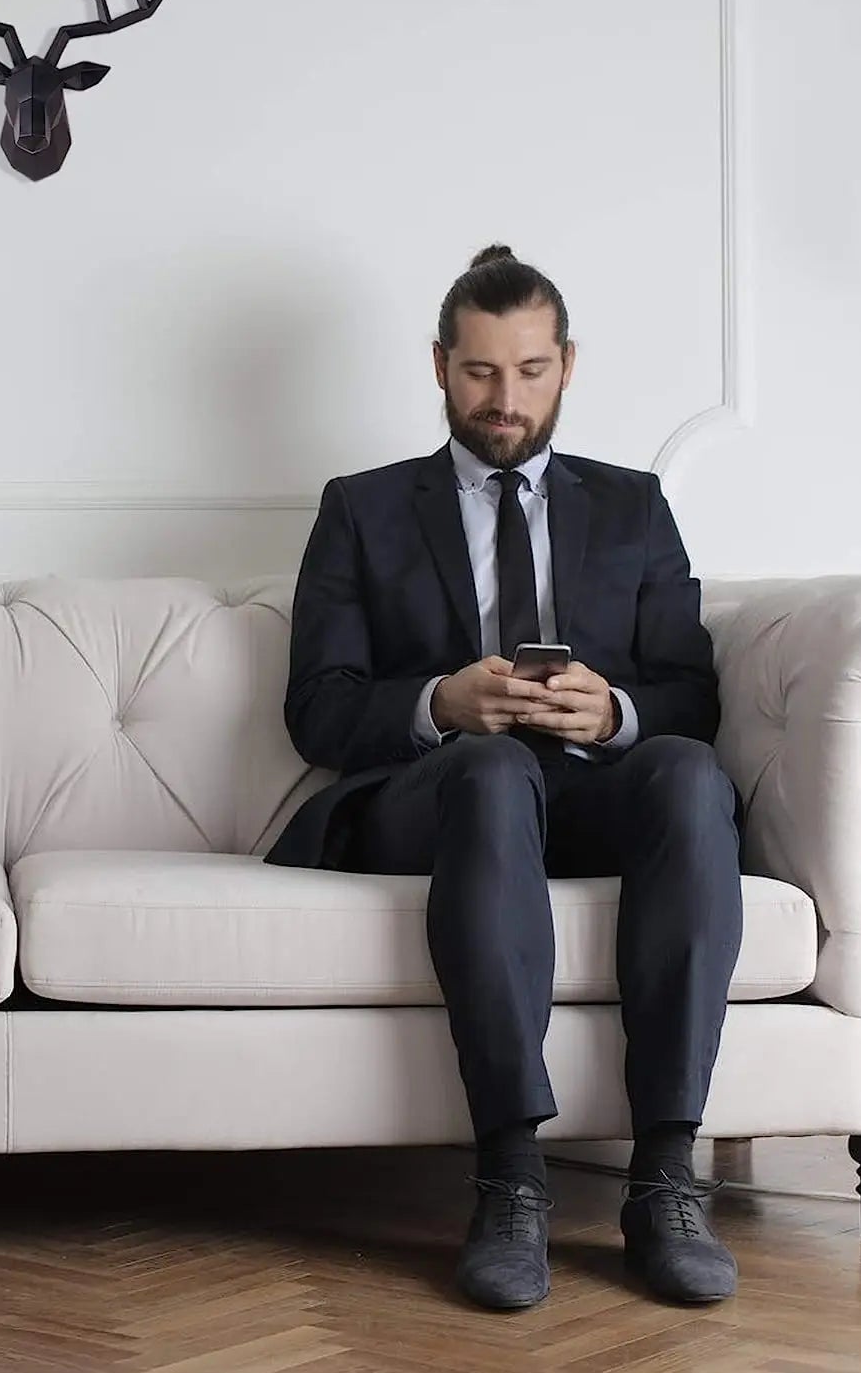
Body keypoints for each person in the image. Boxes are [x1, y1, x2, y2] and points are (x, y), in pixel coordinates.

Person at [264, 245, 745, 1311]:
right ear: (441, 366)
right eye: (481, 372)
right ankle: (510, 1179)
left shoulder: (635, 506)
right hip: (440, 798)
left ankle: (665, 1174)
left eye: (529, 371)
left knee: (685, 772)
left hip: (586, 790)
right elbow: (317, 706)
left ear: (566, 365)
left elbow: (691, 692)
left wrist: (613, 712)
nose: (505, 400)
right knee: (487, 772)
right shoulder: (363, 508)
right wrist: (440, 702)